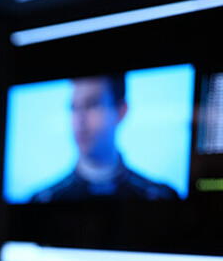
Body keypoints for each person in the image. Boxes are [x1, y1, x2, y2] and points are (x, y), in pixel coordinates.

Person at [30, 74, 179, 202]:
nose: (80, 120)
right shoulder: (42, 200)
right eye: (74, 107)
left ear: (121, 111)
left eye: (92, 105)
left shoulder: (160, 197)